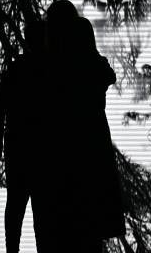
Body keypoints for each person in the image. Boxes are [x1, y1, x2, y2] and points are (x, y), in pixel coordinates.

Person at [44, 15, 124, 252]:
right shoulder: (94, 63)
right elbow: (109, 76)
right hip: (94, 133)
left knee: (78, 200)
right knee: (95, 197)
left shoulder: (62, 66)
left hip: (71, 138)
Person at [0, 20, 47, 253]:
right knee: (39, 206)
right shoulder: (50, 70)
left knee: (16, 204)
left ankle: (11, 248)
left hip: (18, 147)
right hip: (42, 149)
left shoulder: (16, 70)